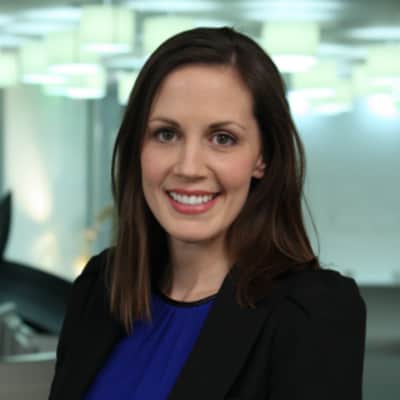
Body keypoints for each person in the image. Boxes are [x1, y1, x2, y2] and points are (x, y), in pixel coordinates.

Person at [48, 27, 366, 400]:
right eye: (166, 134)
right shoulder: (100, 287)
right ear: (138, 147)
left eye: (222, 138)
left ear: (262, 157)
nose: (189, 167)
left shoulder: (314, 310)